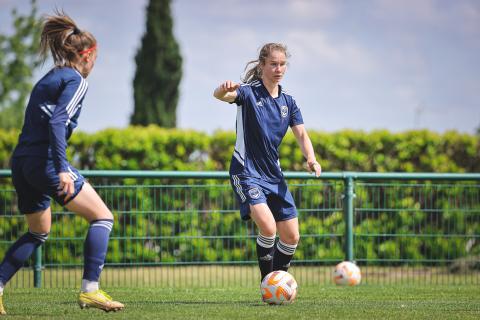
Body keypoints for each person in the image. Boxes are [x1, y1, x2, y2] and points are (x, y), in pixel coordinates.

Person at [0, 11, 124, 314]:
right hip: (45, 163)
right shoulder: (76, 79)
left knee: (38, 231)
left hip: (22, 163)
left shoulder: (50, 76)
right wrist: (61, 167)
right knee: (103, 217)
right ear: (88, 55)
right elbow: (58, 121)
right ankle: (90, 291)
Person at [213, 43, 322, 286]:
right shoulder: (249, 93)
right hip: (246, 171)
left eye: (282, 64)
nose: (278, 69)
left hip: (274, 175)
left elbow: (302, 135)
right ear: (262, 65)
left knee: (292, 236)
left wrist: (311, 159)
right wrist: (222, 89)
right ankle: (268, 284)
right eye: (273, 64)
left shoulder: (289, 102)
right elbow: (221, 96)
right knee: (268, 227)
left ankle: (278, 281)